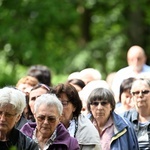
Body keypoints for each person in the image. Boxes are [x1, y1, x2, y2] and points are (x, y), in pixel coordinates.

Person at [53, 83, 101, 150]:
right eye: (55, 103)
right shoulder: (44, 124)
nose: (59, 108)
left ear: (74, 106)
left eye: (63, 103)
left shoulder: (87, 132)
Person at [123, 78, 150, 149]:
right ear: (132, 96)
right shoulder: (124, 119)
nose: (140, 95)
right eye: (136, 93)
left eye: (145, 92)